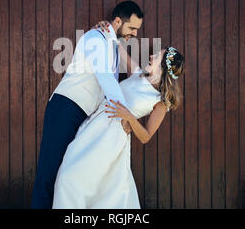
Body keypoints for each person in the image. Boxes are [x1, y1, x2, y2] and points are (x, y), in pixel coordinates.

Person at [31, 1, 144, 209]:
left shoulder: (114, 46)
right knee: (49, 173)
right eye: (132, 28)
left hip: (85, 116)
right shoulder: (95, 38)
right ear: (118, 21)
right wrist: (125, 115)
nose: (135, 34)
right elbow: (106, 80)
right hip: (66, 108)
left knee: (68, 174)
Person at [52, 37, 185, 208]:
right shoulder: (138, 74)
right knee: (67, 175)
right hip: (93, 126)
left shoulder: (160, 102)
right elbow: (120, 50)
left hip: (111, 139)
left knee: (94, 186)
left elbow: (145, 137)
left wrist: (129, 117)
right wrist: (108, 30)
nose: (151, 56)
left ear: (163, 68)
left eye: (156, 57)